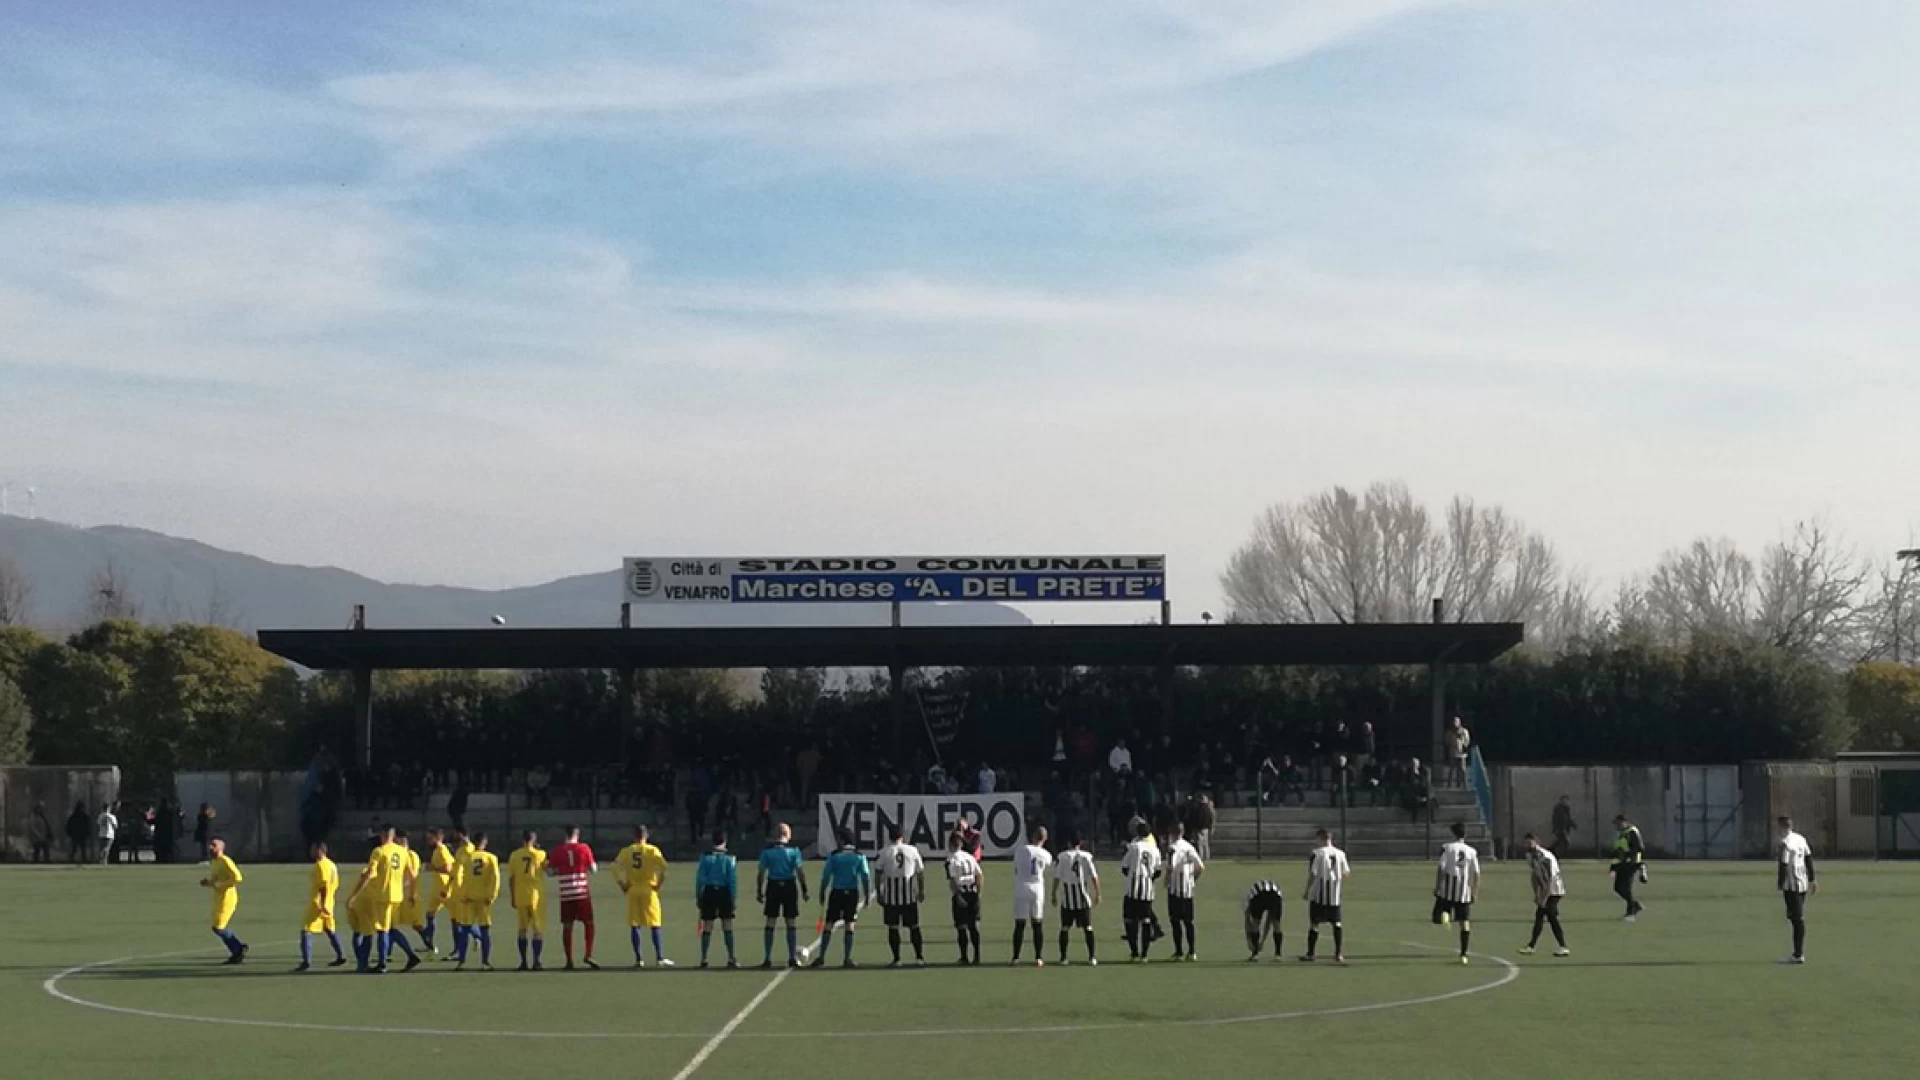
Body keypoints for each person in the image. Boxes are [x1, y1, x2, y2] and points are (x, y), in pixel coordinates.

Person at [351, 825, 417, 974]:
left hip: (382, 896)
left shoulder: (379, 851)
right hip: (397, 896)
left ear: (381, 835)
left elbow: (369, 874)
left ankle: (382, 964)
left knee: (382, 930)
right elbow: (412, 875)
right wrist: (411, 894)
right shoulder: (402, 851)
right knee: (390, 929)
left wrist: (355, 894)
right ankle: (411, 956)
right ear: (393, 836)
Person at [615, 824, 672, 968]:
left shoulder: (627, 851)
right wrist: (658, 884)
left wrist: (622, 885)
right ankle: (659, 958)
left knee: (635, 924)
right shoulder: (652, 850)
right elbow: (664, 868)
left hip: (633, 889)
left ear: (634, 836)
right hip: (649, 889)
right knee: (655, 923)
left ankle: (639, 959)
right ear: (646, 836)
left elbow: (614, 868)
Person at [813, 830, 870, 968]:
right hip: (851, 893)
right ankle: (847, 958)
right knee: (850, 924)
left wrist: (822, 891)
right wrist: (867, 895)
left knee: (829, 923)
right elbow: (865, 877)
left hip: (836, 892)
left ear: (843, 840)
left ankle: (821, 957)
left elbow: (826, 876)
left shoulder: (835, 856)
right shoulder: (859, 856)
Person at [756, 822, 809, 969]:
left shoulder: (767, 851)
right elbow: (800, 872)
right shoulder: (794, 851)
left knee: (770, 921)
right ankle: (792, 957)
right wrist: (804, 889)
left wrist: (759, 890)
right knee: (790, 922)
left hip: (773, 885)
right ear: (787, 834)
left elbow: (761, 873)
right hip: (789, 886)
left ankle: (767, 958)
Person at [548, 824, 600, 970]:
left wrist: (562, 871)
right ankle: (588, 954)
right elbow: (593, 869)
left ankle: (569, 960)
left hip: (566, 892)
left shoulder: (558, 850)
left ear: (565, 834)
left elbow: (550, 872)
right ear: (577, 835)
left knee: (567, 925)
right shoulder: (584, 848)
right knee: (589, 923)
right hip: (582, 892)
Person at [873, 826, 927, 967]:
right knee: (914, 927)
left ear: (889, 836)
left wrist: (879, 892)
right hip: (909, 895)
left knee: (893, 928)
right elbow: (920, 872)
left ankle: (897, 959)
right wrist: (921, 890)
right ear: (902, 836)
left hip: (892, 896)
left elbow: (878, 873)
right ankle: (919, 957)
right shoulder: (912, 850)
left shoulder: (884, 852)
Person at [1432, 822, 1482, 964]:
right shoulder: (1472, 851)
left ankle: (1446, 916)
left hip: (1447, 890)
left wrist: (1437, 886)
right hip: (1464, 892)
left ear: (1453, 833)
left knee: (1437, 917)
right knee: (1464, 922)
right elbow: (1477, 873)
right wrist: (1474, 891)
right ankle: (1463, 954)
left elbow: (1441, 868)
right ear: (1465, 834)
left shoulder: (1447, 848)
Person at [296, 842, 348, 971]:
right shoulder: (331, 865)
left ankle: (306, 961)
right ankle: (341, 955)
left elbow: (323, 886)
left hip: (318, 904)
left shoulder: (321, 866)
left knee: (306, 930)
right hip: (329, 902)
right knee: (329, 929)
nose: (311, 852)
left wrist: (322, 903)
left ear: (320, 850)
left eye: (313, 849)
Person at [1518, 832, 1570, 957]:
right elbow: (1535, 875)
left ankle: (1563, 946)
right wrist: (1536, 893)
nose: (1527, 845)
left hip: (1554, 890)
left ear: (1537, 842)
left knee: (1550, 916)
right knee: (1540, 916)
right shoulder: (1530, 856)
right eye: (1526, 843)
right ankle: (1531, 946)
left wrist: (1544, 898)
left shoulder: (1545, 857)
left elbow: (1549, 880)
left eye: (1530, 842)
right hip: (1545, 889)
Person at [1302, 829, 1350, 964]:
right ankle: (1338, 953)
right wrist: (1337, 880)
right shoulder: (1340, 853)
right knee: (1337, 923)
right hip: (1334, 894)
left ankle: (1311, 953)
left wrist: (1307, 891)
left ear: (1320, 838)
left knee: (1314, 923)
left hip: (1318, 894)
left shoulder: (1317, 854)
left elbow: (1313, 873)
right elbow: (1346, 873)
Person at [1052, 832, 1100, 966]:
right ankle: (1092, 957)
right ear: (1080, 843)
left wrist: (1053, 894)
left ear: (1069, 843)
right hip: (1083, 898)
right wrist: (1098, 893)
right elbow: (1094, 876)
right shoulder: (1087, 856)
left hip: (1068, 899)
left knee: (1065, 928)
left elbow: (1057, 877)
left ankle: (1063, 957)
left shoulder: (1063, 857)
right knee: (1088, 928)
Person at [1118, 820, 1163, 962]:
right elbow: (1158, 871)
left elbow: (1124, 867)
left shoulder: (1133, 847)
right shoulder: (1154, 849)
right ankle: (1144, 954)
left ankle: (1134, 952)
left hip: (1132, 889)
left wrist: (1132, 875)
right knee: (1146, 921)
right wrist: (1149, 879)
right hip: (1147, 890)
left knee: (1129, 920)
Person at [1009, 824, 1053, 967]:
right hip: (1037, 888)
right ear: (1044, 839)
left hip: (1022, 886)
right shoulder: (1046, 854)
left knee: (1020, 924)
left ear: (1032, 836)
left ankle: (1015, 957)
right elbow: (1046, 866)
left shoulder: (1021, 850)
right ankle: (1038, 957)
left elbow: (1017, 867)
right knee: (1037, 923)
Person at [694, 830, 739, 969]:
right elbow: (732, 880)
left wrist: (698, 896)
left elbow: (700, 879)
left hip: (709, 892)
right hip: (724, 893)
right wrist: (733, 897)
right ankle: (731, 957)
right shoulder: (729, 858)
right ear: (725, 841)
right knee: (727, 925)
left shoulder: (705, 857)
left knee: (707, 925)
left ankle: (704, 958)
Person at [200, 836, 248, 965]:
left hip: (228, 898)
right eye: (210, 845)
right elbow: (216, 878)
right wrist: (208, 882)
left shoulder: (225, 861)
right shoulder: (215, 862)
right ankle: (238, 949)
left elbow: (238, 878)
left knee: (219, 927)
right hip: (218, 898)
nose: (210, 847)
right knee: (217, 927)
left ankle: (238, 949)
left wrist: (221, 885)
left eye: (214, 845)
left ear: (220, 848)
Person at [455, 833, 501, 971]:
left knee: (465, 930)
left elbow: (459, 877)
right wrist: (492, 896)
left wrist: (462, 895)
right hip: (484, 900)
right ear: (485, 842)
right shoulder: (491, 858)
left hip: (469, 899)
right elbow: (495, 879)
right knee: (485, 931)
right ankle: (485, 962)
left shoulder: (467, 857)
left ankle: (461, 962)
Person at [1776, 816, 1817, 964]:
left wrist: (1780, 883)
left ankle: (1798, 954)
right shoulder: (1800, 838)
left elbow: (1784, 864)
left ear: (1782, 827)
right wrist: (1812, 879)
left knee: (1797, 919)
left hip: (1791, 886)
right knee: (1795, 917)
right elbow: (1808, 858)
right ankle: (1798, 953)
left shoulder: (1785, 843)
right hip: (1802, 884)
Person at [507, 831, 548, 971]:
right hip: (536, 896)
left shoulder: (515, 855)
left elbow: (511, 878)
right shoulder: (540, 854)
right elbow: (548, 869)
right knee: (537, 930)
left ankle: (523, 962)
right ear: (534, 839)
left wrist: (512, 897)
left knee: (522, 930)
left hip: (521, 895)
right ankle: (536, 961)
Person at [1165, 822, 1205, 961]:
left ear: (1173, 833)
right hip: (1188, 890)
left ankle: (1179, 951)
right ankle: (1192, 951)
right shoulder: (1189, 847)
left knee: (1175, 921)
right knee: (1189, 922)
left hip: (1176, 890)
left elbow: (1171, 866)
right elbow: (1200, 867)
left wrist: (1166, 880)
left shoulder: (1173, 848)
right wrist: (1193, 879)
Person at [421, 827, 455, 959]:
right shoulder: (436, 850)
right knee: (430, 914)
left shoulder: (442, 850)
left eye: (430, 837)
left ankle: (477, 937)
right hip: (437, 888)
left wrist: (432, 867)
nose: (428, 840)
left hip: (444, 889)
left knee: (458, 918)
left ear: (438, 838)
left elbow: (448, 869)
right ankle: (429, 944)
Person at [1609, 814, 1646, 921]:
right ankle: (1635, 905)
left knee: (1626, 888)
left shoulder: (1632, 832)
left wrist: (1632, 860)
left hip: (1631, 863)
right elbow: (1618, 851)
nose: (1616, 826)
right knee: (1618, 888)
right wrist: (1613, 867)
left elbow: (1639, 848)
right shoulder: (1621, 834)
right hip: (1622, 864)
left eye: (1617, 823)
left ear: (1623, 822)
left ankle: (1631, 913)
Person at [1243, 878, 1285, 962]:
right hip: (1275, 895)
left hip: (1260, 895)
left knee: (1256, 923)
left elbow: (1248, 921)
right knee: (1276, 924)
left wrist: (1249, 941)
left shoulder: (1247, 900)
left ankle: (1255, 954)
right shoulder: (1248, 898)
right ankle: (1278, 954)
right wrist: (1262, 941)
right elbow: (1269, 919)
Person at [1446, 717, 1472, 788]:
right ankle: (1449, 785)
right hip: (1453, 753)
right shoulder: (1450, 732)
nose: (1455, 723)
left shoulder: (1464, 731)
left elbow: (1467, 741)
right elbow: (1447, 742)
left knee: (1463, 770)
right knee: (1452, 769)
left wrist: (1463, 743)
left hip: (1462, 754)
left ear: (1459, 722)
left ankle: (1465, 786)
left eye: (1456, 722)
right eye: (1454, 721)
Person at [95, 802, 118, 867]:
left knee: (102, 848)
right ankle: (104, 861)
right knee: (107, 848)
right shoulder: (111, 816)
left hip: (102, 834)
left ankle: (101, 860)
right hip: (109, 834)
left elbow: (98, 824)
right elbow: (115, 826)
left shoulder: (100, 816)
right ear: (108, 808)